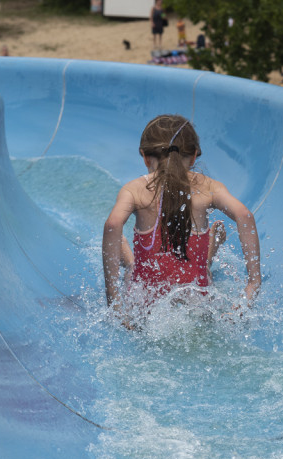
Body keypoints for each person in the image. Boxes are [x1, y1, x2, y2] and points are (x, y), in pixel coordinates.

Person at [102, 114, 261, 323]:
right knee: (201, 271)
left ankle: (131, 258)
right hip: (199, 301)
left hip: (146, 305)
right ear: (194, 156)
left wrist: (115, 304)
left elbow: (113, 225)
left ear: (145, 156)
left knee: (132, 268)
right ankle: (209, 245)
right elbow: (245, 215)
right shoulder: (209, 187)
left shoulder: (134, 190)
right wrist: (253, 283)